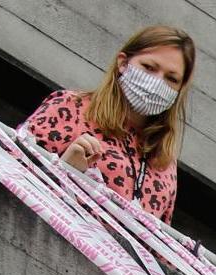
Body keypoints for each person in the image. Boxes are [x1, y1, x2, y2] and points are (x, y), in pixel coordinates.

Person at [21, 24, 196, 222]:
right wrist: (63, 169)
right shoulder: (70, 107)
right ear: (123, 63)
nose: (157, 83)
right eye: (148, 67)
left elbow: (158, 247)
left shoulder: (165, 163)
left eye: (171, 79)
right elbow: (12, 172)